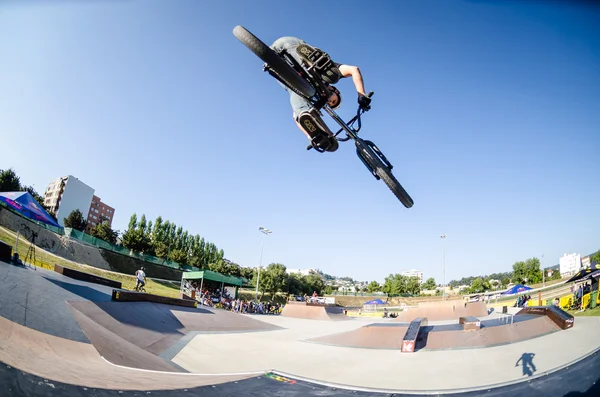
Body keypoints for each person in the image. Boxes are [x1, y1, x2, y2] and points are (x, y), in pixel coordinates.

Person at [270, 37, 371, 152]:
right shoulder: (329, 78)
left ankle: (316, 131)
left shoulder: (312, 96)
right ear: (336, 91)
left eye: (330, 104)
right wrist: (361, 94)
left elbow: (295, 117)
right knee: (331, 75)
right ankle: (314, 60)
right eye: (333, 100)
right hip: (290, 46)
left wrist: (310, 136)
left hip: (273, 59)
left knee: (302, 102)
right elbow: (354, 70)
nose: (329, 102)